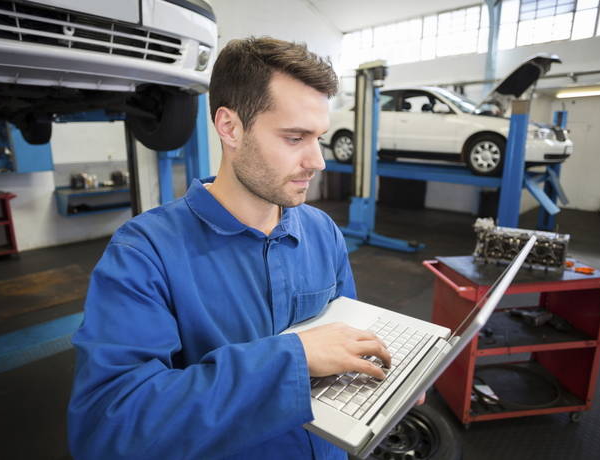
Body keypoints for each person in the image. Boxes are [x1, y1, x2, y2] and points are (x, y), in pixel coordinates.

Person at [67, 37, 393, 460]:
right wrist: (290, 360)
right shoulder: (143, 253)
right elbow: (107, 426)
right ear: (230, 127)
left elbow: (345, 341)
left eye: (318, 137)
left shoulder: (322, 232)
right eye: (295, 137)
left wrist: (387, 381)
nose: (318, 161)